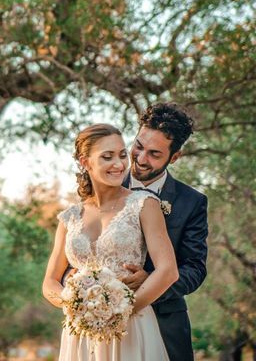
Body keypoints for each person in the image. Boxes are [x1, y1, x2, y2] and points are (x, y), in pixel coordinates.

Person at [42, 123, 179, 360]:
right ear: (85, 162)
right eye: (107, 157)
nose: (119, 164)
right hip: (82, 333)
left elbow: (168, 271)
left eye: (122, 155)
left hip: (131, 326)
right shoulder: (69, 217)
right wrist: (74, 303)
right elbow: (50, 283)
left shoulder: (144, 204)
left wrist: (118, 313)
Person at [121, 103, 208, 361]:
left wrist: (153, 281)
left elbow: (195, 268)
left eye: (154, 154)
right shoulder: (100, 187)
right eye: (138, 145)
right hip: (102, 321)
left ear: (174, 157)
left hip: (165, 323)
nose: (140, 158)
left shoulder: (191, 202)